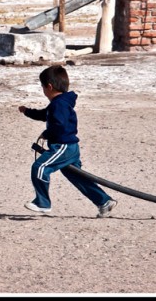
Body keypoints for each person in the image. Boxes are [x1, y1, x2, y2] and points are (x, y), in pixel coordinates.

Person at [18, 64, 117, 217]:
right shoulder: (59, 103)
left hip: (63, 147)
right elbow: (45, 115)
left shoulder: (59, 105)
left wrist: (47, 133)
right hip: (70, 147)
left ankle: (42, 202)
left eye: (42, 87)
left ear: (49, 87)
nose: (43, 90)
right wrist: (27, 111)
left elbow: (59, 124)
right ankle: (104, 201)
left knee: (40, 167)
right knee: (77, 176)